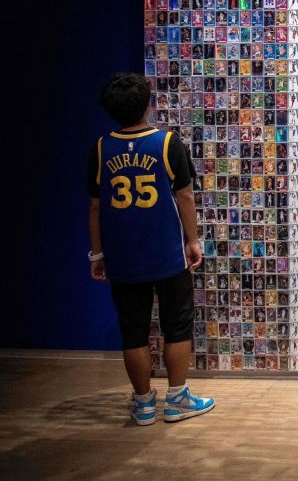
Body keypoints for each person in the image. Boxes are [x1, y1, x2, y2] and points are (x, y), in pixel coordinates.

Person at [87, 72, 215, 425]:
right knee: (177, 326)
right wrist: (192, 240)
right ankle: (176, 399)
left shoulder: (100, 148)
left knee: (133, 331)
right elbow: (185, 195)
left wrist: (97, 254)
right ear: (148, 104)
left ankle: (143, 403)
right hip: (166, 253)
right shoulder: (167, 143)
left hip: (122, 256)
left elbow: (96, 206)